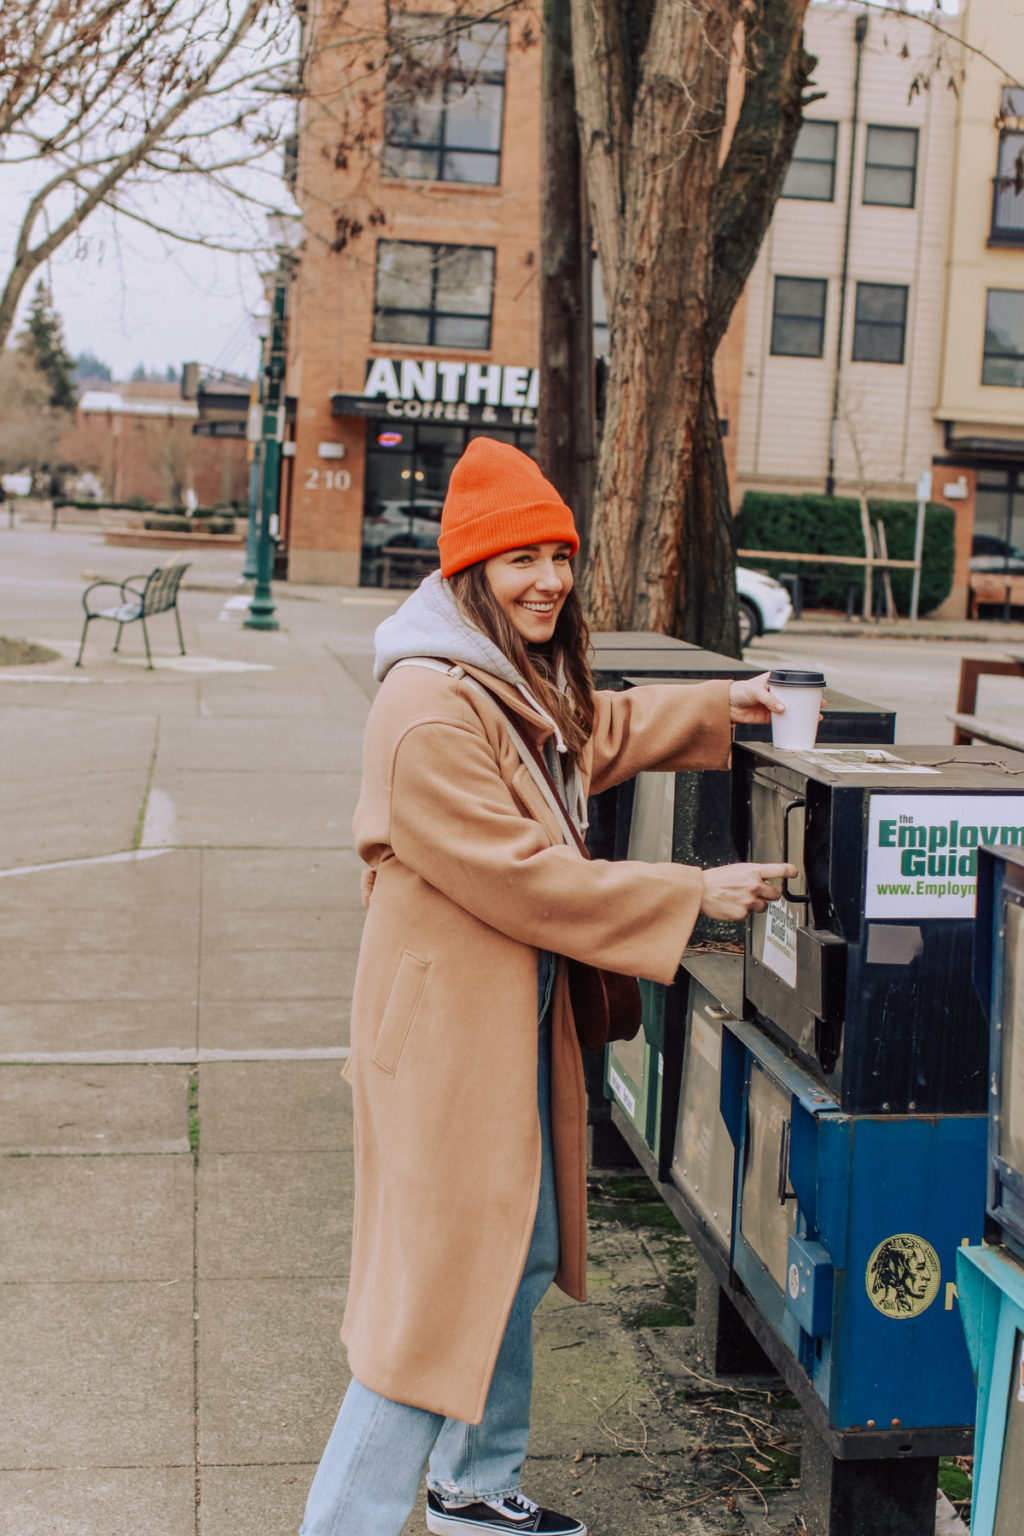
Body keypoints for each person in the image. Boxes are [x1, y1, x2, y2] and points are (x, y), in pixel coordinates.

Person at [301, 437, 795, 1536]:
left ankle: (473, 1486)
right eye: (521, 558)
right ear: (471, 568)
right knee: (428, 1306)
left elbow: (588, 735)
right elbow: (521, 880)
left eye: (558, 557)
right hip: (446, 1043)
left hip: (495, 1022)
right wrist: (687, 893)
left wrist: (731, 705)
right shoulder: (427, 706)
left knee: (512, 1249)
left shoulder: (500, 676)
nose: (547, 581)